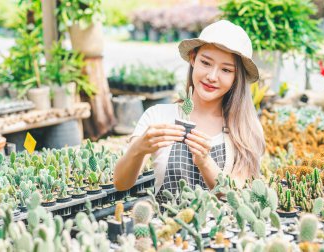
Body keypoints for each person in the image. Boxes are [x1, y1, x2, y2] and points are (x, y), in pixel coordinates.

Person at [113, 20, 265, 204]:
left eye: (226, 70)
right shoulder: (158, 116)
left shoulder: (244, 129)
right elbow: (121, 184)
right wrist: (137, 149)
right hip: (166, 230)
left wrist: (205, 162)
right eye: (206, 62)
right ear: (193, 58)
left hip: (220, 232)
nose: (212, 76)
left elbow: (237, 198)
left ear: (236, 77)